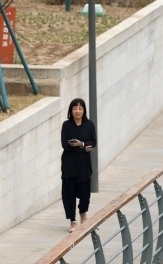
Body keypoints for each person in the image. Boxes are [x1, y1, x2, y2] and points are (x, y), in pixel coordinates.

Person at [61, 98, 96, 232]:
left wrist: (81, 144)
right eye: (75, 108)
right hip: (69, 164)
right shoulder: (66, 125)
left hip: (83, 164)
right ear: (71, 110)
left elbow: (93, 142)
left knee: (85, 192)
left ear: (84, 110)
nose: (77, 111)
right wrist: (83, 148)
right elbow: (65, 144)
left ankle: (83, 212)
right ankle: (73, 221)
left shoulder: (89, 124)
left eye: (80, 108)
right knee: (69, 193)